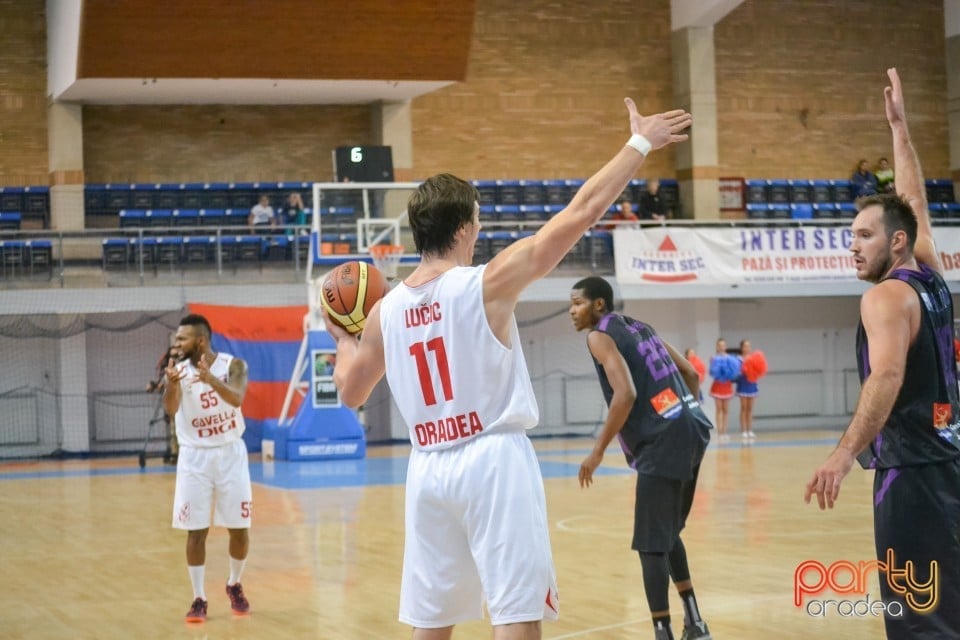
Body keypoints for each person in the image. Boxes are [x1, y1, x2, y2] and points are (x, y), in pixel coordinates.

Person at [322, 99, 691, 639]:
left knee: (432, 622)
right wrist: (638, 144)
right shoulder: (486, 283)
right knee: (516, 614)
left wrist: (341, 339)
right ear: (467, 225)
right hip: (492, 459)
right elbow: (581, 212)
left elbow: (350, 392)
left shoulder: (384, 311)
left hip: (427, 469)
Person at [804, 68, 960, 639]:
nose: (852, 246)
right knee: (947, 609)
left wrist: (844, 454)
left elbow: (887, 374)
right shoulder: (931, 276)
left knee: (916, 618)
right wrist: (900, 129)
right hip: (948, 460)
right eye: (850, 236)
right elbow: (914, 201)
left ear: (895, 242)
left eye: (864, 236)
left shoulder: (886, 297)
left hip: (911, 471)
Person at [570, 276, 712, 640]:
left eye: (577, 303)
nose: (571, 311)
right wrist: (682, 411)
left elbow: (626, 393)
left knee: (650, 543)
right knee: (666, 532)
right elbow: (691, 373)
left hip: (663, 442)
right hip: (693, 427)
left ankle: (662, 632)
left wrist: (597, 451)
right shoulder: (641, 327)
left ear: (598, 305)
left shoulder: (598, 336)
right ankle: (694, 623)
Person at [163, 314, 253, 623]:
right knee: (196, 531)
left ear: (200, 341)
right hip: (194, 458)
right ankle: (199, 597)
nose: (176, 344)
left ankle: (234, 583)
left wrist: (210, 380)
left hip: (230, 454)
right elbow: (170, 408)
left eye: (181, 339)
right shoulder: (177, 372)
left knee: (239, 528)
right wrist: (170, 386)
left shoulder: (234, 365)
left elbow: (237, 399)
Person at [146, 340, 182, 464]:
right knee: (173, 432)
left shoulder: (185, 368)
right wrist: (153, 386)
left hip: (186, 406)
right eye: (172, 356)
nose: (174, 358)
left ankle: (181, 456)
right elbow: (161, 383)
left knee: (181, 432)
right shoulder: (167, 370)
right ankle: (174, 455)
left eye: (176, 355)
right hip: (173, 406)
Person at [708, 339, 739, 443]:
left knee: (726, 410)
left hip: (727, 385)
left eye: (723, 345)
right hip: (717, 386)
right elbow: (712, 372)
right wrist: (711, 363)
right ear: (717, 347)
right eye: (719, 345)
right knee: (719, 409)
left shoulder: (731, 359)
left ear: (725, 346)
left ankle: (725, 431)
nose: (721, 347)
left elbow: (735, 372)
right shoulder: (714, 359)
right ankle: (719, 431)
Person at [735, 339, 760, 441]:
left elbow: (758, 371)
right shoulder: (738, 359)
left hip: (752, 384)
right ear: (742, 348)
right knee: (744, 408)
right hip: (743, 384)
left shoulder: (754, 358)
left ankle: (750, 430)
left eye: (749, 346)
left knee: (750, 409)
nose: (747, 348)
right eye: (745, 346)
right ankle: (743, 430)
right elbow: (736, 372)